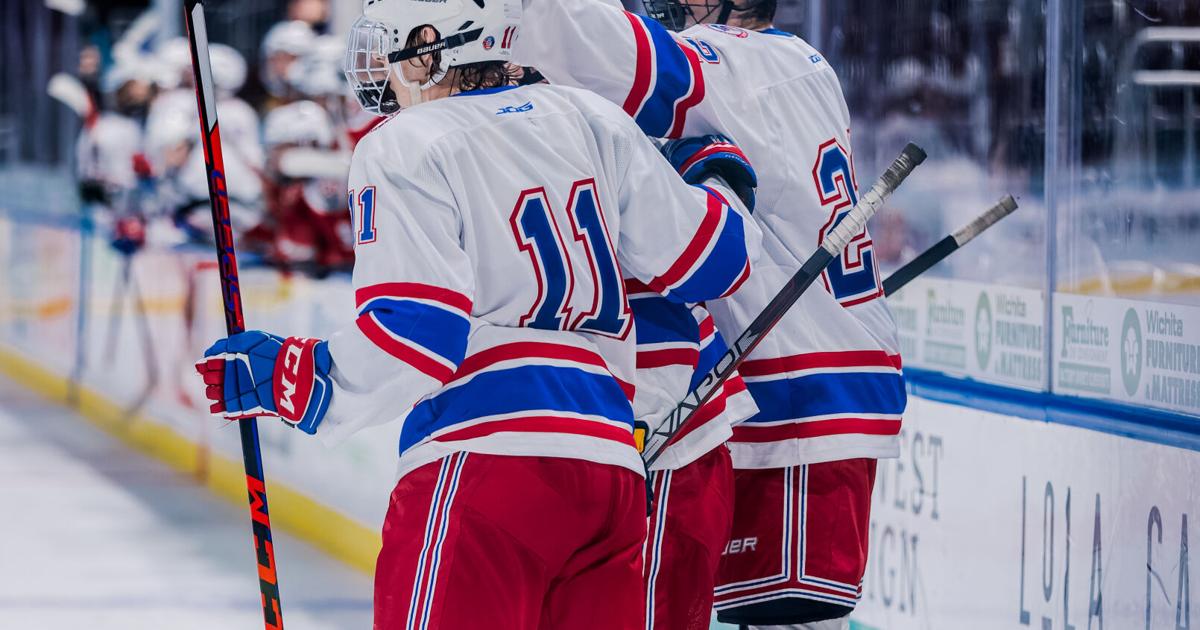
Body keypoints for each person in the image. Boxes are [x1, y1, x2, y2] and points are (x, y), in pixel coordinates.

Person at [194, 0, 761, 627]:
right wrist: (722, 183)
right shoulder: (590, 117)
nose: (382, 74)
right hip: (609, 476)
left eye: (392, 53)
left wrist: (287, 376)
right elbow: (712, 260)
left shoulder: (406, 143)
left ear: (434, 47)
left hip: (485, 462)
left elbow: (416, 334)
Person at [513, 1, 908, 628]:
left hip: (800, 403)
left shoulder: (745, 63)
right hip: (785, 392)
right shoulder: (793, 62)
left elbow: (617, 54)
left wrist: (500, 15)